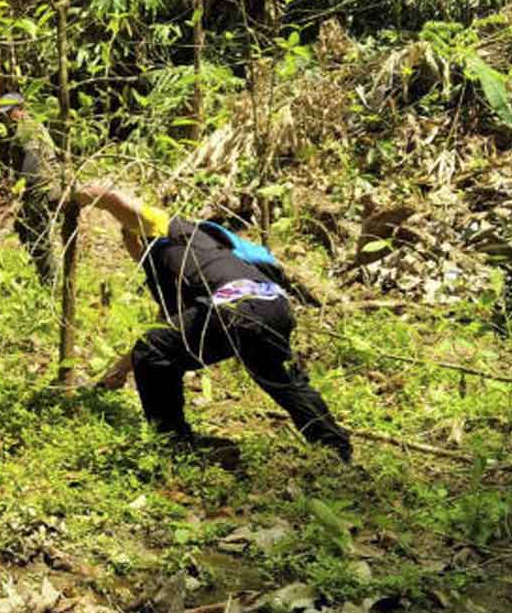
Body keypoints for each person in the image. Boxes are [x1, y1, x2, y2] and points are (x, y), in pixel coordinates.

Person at [74, 182, 352, 464]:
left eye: (130, 239)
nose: (130, 249)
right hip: (273, 305)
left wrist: (77, 196)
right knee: (279, 378)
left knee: (154, 347)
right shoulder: (194, 264)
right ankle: (335, 447)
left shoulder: (171, 232)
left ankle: (175, 444)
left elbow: (114, 199)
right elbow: (168, 334)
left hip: (234, 307)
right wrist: (119, 371)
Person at [0, 92, 64, 289]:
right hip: (35, 187)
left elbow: (32, 162)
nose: (3, 118)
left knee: (38, 234)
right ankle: (47, 275)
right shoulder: (19, 131)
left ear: (20, 111)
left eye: (7, 113)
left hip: (41, 187)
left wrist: (19, 193)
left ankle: (51, 283)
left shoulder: (29, 129)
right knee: (24, 229)